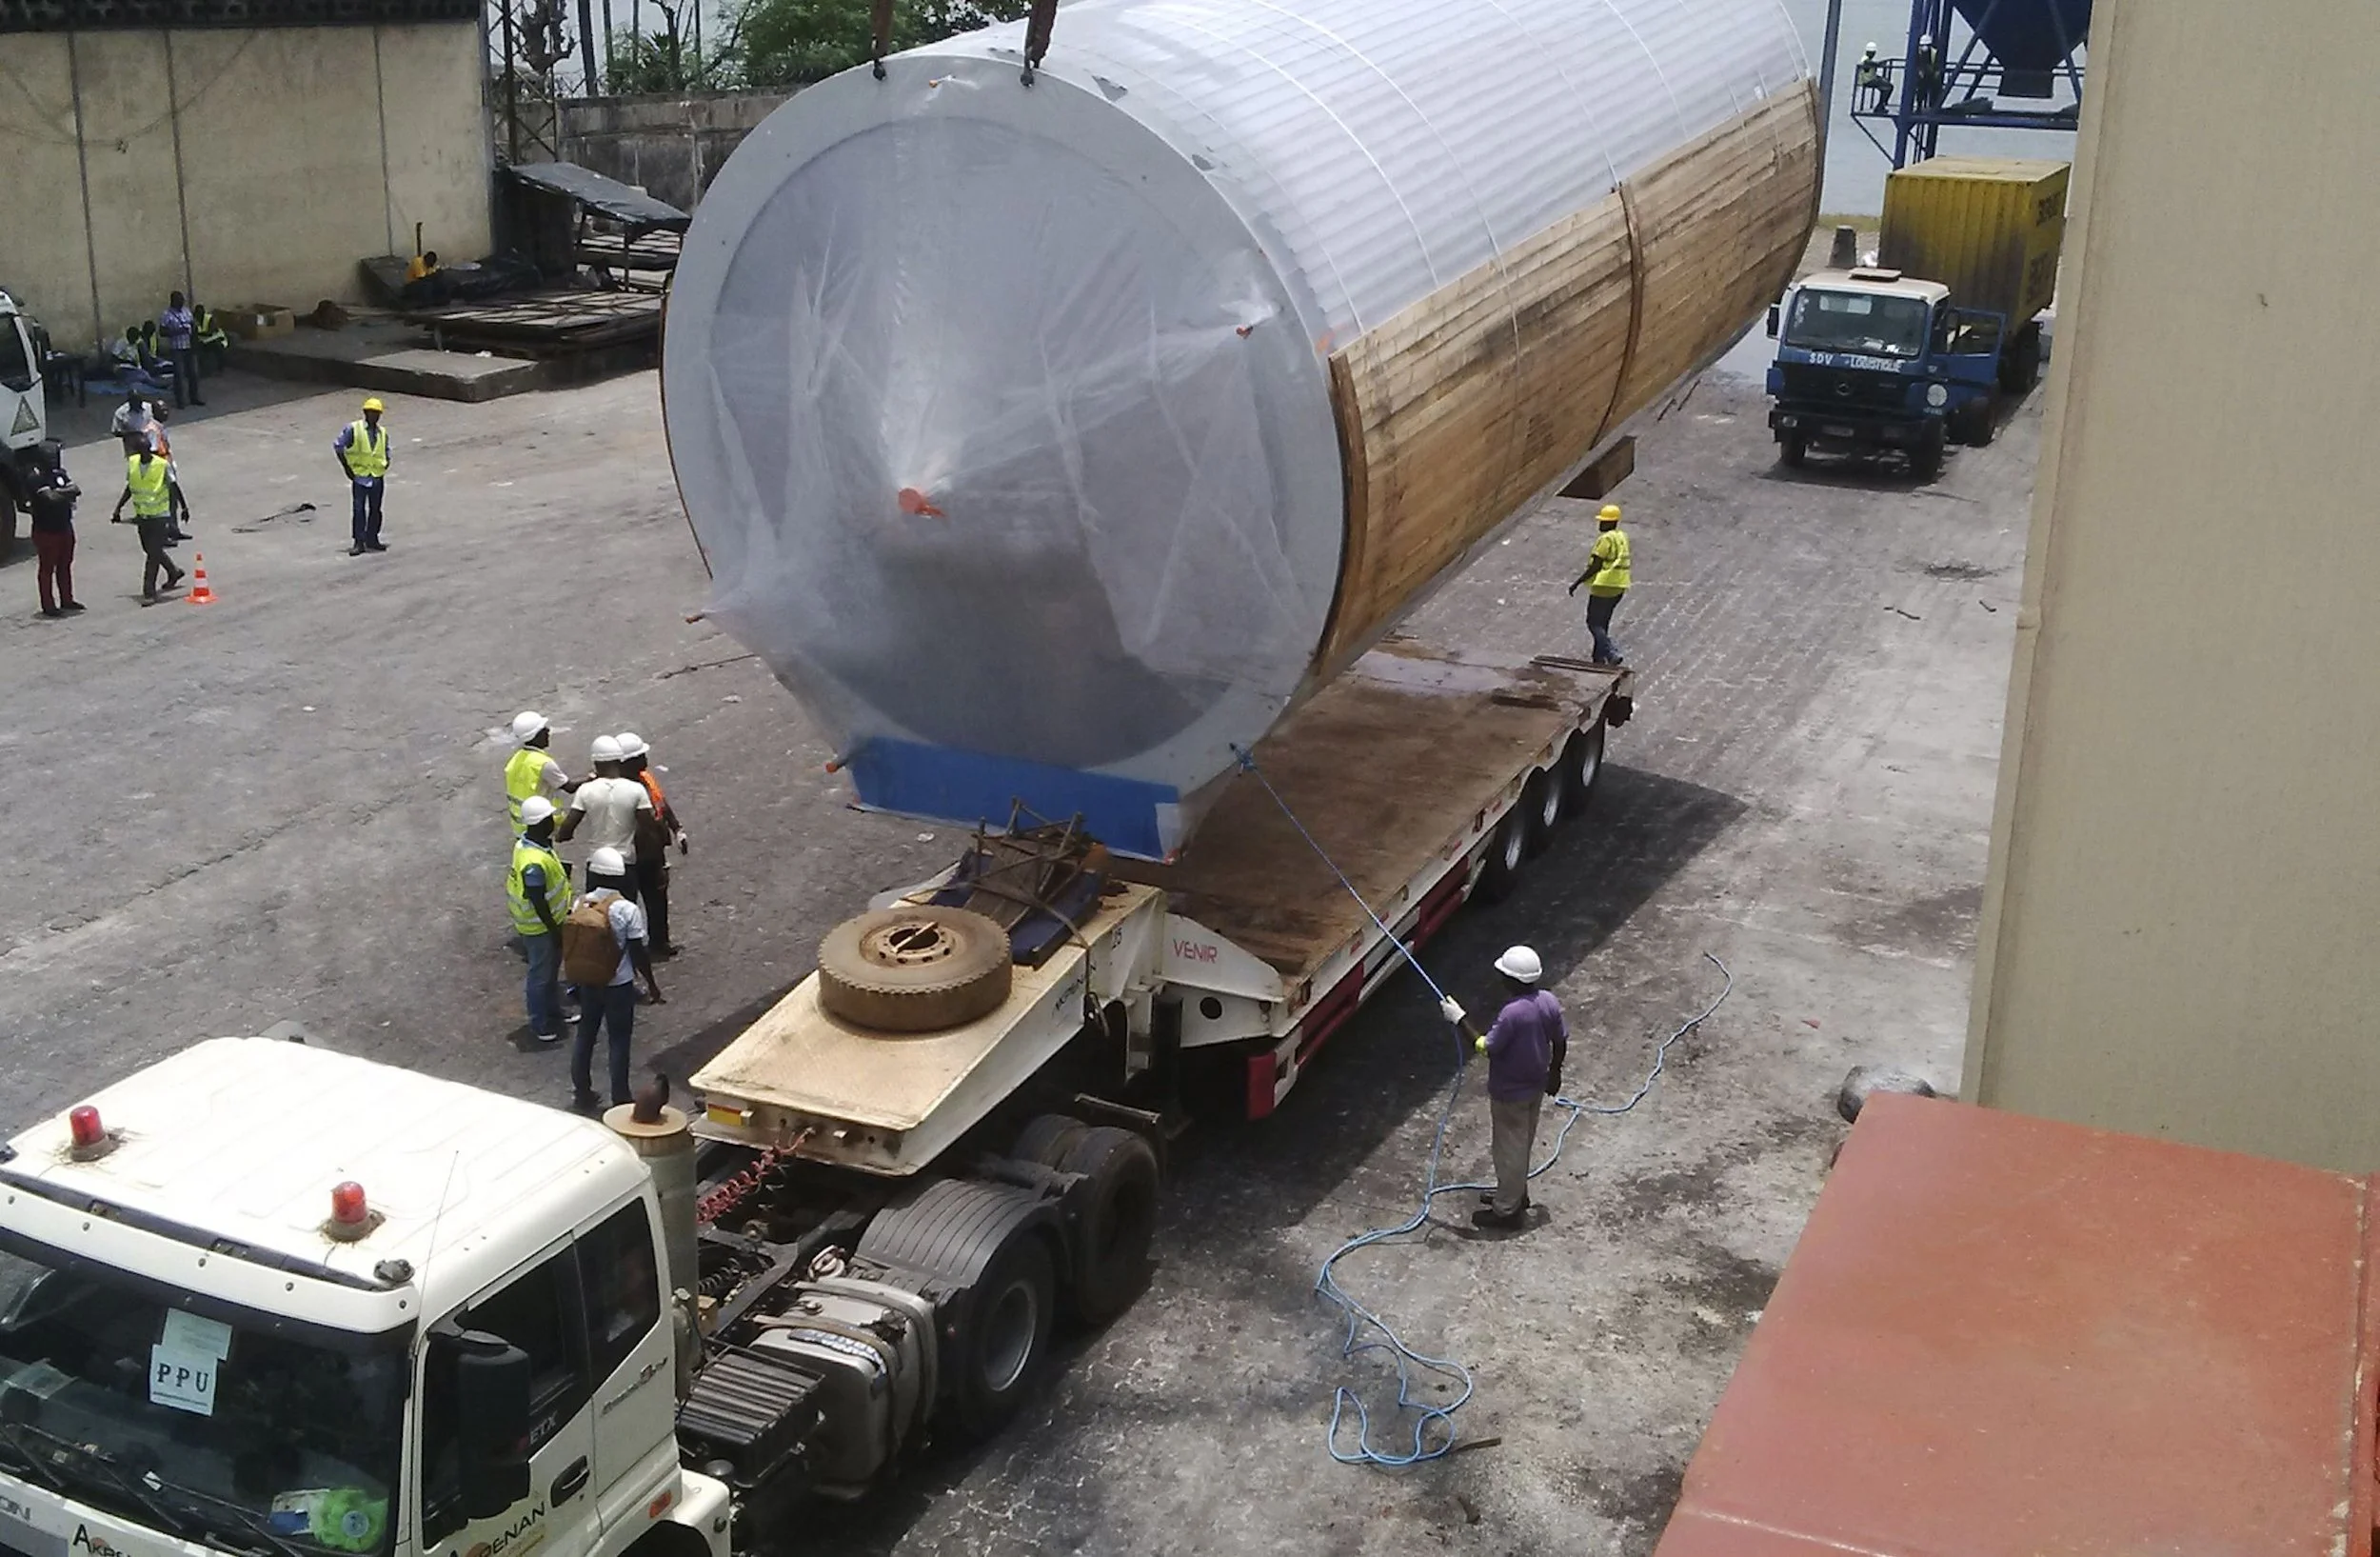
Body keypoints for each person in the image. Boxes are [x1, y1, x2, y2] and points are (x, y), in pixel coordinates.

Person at [1442, 946, 1567, 1230]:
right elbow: (1560, 1041)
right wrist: (1555, 1072)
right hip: (1535, 1086)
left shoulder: (1512, 1013)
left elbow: (1486, 1047)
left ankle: (1506, 1212)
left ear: (1512, 979)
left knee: (1509, 1150)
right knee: (1522, 1144)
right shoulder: (1547, 1000)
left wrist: (1459, 1019)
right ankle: (1514, 1195)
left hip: (1510, 1093)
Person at [565, 847, 663, 1114]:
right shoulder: (627, 910)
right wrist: (651, 984)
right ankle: (620, 1096)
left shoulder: (580, 903)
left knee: (586, 1034)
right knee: (619, 1040)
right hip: (618, 984)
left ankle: (582, 1090)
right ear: (620, 877)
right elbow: (637, 951)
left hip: (588, 981)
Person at [616, 732, 687, 956]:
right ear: (626, 762)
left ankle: (659, 943)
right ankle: (628, 951)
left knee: (657, 901)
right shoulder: (617, 789)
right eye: (639, 756)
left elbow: (661, 802)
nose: (645, 758)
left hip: (653, 854)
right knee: (627, 907)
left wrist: (677, 829)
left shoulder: (645, 778)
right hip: (631, 855)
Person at [509, 796, 573, 1043]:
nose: (553, 821)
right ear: (538, 823)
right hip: (539, 927)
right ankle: (540, 1023)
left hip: (546, 923)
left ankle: (554, 1011)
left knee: (550, 970)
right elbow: (537, 898)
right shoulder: (533, 862)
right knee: (540, 974)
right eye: (549, 818)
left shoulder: (531, 845)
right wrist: (554, 930)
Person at [559, 735, 653, 901]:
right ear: (619, 760)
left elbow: (566, 831)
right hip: (626, 865)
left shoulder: (586, 790)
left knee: (596, 919)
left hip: (596, 865)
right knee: (625, 916)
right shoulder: (636, 790)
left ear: (595, 763)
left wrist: (559, 835)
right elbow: (649, 828)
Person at [111, 432, 185, 602]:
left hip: (159, 516)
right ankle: (173, 571)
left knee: (152, 554)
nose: (146, 453)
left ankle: (149, 592)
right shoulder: (133, 463)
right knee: (150, 549)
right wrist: (118, 508)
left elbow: (174, 487)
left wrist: (184, 507)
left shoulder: (161, 464)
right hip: (142, 516)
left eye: (147, 450)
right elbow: (130, 487)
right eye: (142, 450)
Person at [1567, 503, 1632, 666]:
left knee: (1593, 623)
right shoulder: (1622, 537)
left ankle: (1610, 651)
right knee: (1603, 623)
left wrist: (1577, 582)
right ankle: (1598, 659)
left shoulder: (1605, 539)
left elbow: (1596, 565)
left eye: (1603, 521)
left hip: (1603, 585)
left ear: (1611, 522)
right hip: (1620, 585)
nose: (1600, 524)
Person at [26, 445, 84, 618]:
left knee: (65, 565)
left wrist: (58, 493)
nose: (54, 461)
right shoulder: (35, 478)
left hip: (65, 526)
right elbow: (50, 498)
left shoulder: (60, 474)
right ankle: (48, 606)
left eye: (55, 457)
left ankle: (67, 599)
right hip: (46, 531)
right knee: (47, 569)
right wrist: (64, 494)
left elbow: (76, 490)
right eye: (49, 458)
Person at [505, 710, 583, 828]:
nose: (548, 731)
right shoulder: (543, 764)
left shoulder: (517, 758)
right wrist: (592, 777)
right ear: (535, 736)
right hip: (541, 825)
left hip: (520, 825)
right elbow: (570, 787)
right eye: (543, 730)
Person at [333, 396, 391, 555]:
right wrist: (347, 468)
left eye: (377, 413)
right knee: (359, 510)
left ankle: (372, 538)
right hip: (360, 476)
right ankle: (359, 541)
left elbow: (386, 449)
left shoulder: (382, 432)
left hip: (377, 475)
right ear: (365, 413)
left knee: (376, 509)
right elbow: (339, 446)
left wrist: (386, 462)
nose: (375, 416)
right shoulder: (354, 429)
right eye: (372, 412)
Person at [158, 291, 204, 407]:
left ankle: (194, 397)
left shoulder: (187, 311)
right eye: (179, 299)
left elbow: (193, 326)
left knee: (194, 374)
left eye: (182, 299)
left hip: (190, 347)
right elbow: (162, 331)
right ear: (173, 300)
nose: (182, 301)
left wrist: (195, 343)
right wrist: (177, 331)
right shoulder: (166, 314)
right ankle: (180, 401)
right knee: (179, 375)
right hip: (177, 348)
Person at [191, 303, 230, 374]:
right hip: (204, 340)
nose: (198, 316)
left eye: (200, 314)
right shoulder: (194, 319)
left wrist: (198, 334)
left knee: (218, 349)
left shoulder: (210, 318)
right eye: (197, 314)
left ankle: (220, 369)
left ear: (203, 313)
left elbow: (210, 332)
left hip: (217, 339)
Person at [1855, 43, 1894, 112]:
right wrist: (1880, 64)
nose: (1872, 54)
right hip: (1867, 81)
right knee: (1888, 86)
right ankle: (1880, 106)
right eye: (1871, 53)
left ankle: (1881, 105)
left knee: (1886, 85)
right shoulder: (1865, 59)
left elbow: (1875, 64)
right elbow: (1874, 64)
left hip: (1870, 78)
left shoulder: (1866, 59)